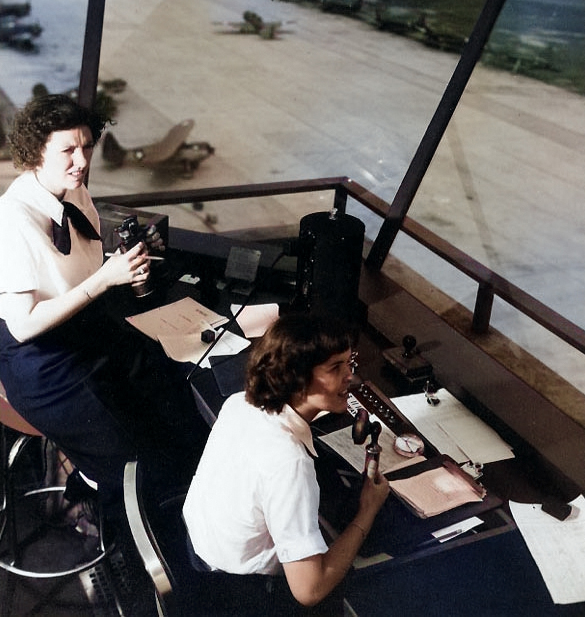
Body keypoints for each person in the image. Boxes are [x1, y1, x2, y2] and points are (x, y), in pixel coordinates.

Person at [0, 94, 207, 508]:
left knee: (172, 392)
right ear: (35, 152)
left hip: (84, 328)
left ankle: (168, 491)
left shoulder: (73, 193)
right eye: (68, 150)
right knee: (137, 462)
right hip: (42, 362)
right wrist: (104, 281)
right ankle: (107, 514)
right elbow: (23, 326)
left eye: (87, 146)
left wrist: (125, 268)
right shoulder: (12, 219)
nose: (81, 160)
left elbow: (81, 269)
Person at [183, 312, 390, 615]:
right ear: (297, 377)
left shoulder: (240, 403)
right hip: (238, 595)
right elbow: (309, 590)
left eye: (350, 362)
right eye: (336, 367)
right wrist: (368, 510)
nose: (351, 376)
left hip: (198, 554)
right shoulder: (289, 463)